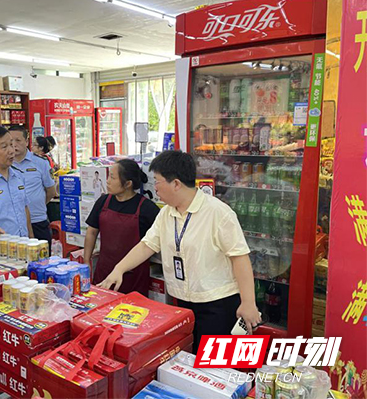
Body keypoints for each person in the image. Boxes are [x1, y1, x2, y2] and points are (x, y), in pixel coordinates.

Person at [99, 150, 261, 352]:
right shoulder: (167, 213)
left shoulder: (218, 212)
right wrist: (119, 269)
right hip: (182, 302)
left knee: (216, 367)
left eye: (157, 182)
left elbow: (240, 258)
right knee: (188, 361)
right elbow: (147, 244)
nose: (154, 188)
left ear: (176, 184)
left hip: (216, 305)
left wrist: (248, 303)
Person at [84, 159, 160, 295]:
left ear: (128, 184)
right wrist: (86, 261)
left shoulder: (147, 208)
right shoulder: (103, 201)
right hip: (104, 271)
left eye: (112, 177)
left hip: (134, 276)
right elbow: (91, 232)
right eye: (108, 176)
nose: (107, 181)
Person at [9, 126, 56, 243]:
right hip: (14, 224)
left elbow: (51, 191)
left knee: (43, 259)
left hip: (38, 221)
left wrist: (37, 203)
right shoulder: (4, 164)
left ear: (26, 142)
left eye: (18, 140)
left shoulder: (40, 162)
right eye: (10, 141)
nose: (14, 144)